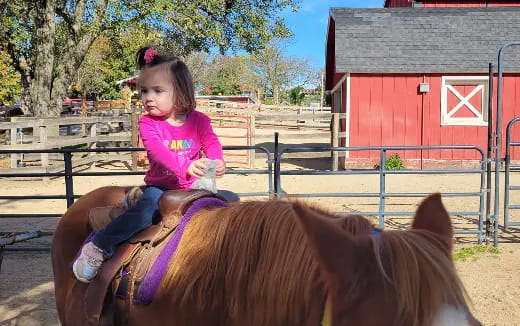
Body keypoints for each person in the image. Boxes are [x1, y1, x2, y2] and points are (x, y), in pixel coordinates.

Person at [73, 46, 235, 283]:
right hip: (162, 187)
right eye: (144, 91)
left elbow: (211, 142)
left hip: (194, 187)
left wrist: (218, 161)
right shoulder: (148, 123)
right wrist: (185, 166)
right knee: (146, 211)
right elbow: (158, 152)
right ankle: (100, 245)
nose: (148, 97)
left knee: (229, 207)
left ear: (179, 92)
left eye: (158, 90)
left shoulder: (199, 120)